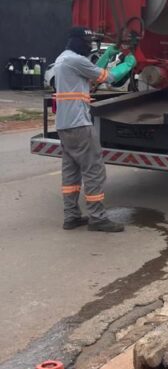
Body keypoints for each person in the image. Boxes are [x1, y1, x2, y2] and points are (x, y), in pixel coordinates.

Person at [53, 27, 136, 232]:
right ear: (77, 41)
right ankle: (98, 218)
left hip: (64, 125)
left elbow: (90, 74)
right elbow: (106, 77)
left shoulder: (64, 59)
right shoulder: (75, 60)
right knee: (94, 170)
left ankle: (71, 216)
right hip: (79, 124)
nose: (90, 46)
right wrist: (127, 64)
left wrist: (108, 55)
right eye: (88, 42)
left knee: (71, 172)